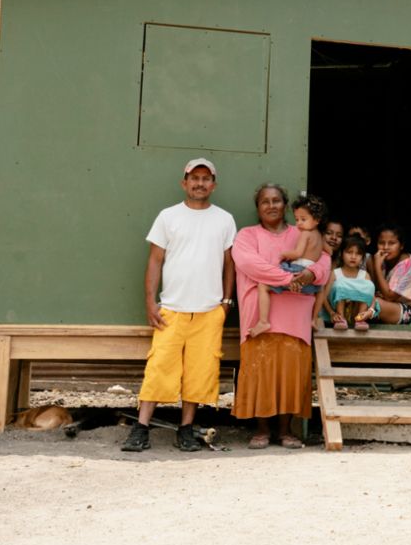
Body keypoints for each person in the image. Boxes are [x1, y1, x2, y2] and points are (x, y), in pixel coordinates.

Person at [122, 158, 237, 453]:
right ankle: (141, 428)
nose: (200, 183)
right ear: (184, 183)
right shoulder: (168, 216)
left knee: (199, 372)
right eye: (194, 178)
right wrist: (150, 302)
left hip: (209, 311)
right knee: (159, 367)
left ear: (213, 185)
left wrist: (225, 302)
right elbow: (155, 260)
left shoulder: (224, 219)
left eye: (206, 178)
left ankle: (186, 429)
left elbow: (230, 264)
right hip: (171, 309)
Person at [232, 184, 331, 450]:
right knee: (260, 372)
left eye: (276, 200)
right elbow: (250, 264)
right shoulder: (247, 235)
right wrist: (290, 279)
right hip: (259, 314)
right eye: (265, 201)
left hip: (296, 314)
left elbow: (324, 260)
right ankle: (262, 430)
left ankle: (286, 431)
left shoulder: (302, 231)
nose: (271, 205)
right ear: (258, 207)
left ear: (285, 205)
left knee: (290, 373)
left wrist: (312, 274)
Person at [249, 193, 326, 338]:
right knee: (321, 289)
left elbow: (297, 253)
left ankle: (263, 321)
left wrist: (284, 254)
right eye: (297, 219)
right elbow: (327, 252)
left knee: (263, 286)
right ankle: (314, 318)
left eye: (303, 219)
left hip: (297, 270)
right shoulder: (320, 236)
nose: (299, 224)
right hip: (310, 279)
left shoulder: (305, 234)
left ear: (316, 220)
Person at [369, 223, 411, 325]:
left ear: (401, 245)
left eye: (391, 243)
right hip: (397, 306)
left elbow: (389, 296)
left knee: (376, 304)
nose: (385, 247)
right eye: (381, 243)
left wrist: (377, 266)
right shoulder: (383, 261)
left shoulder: (409, 265)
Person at [315, 235, 378, 330]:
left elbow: (372, 297)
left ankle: (360, 320)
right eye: (349, 252)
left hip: (356, 314)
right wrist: (332, 313)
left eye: (358, 254)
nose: (353, 257)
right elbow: (324, 296)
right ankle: (341, 318)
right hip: (337, 315)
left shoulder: (365, 275)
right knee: (340, 284)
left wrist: (370, 311)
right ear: (341, 254)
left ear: (363, 257)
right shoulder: (335, 273)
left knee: (369, 286)